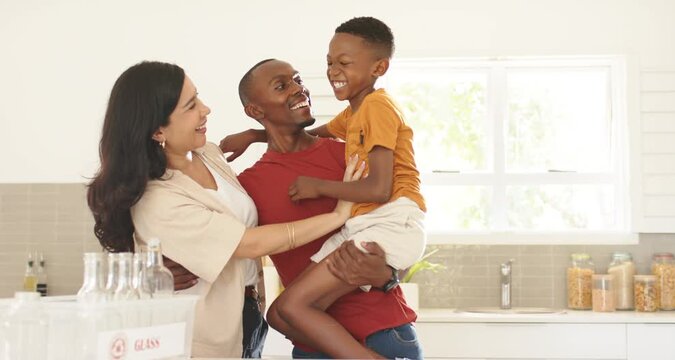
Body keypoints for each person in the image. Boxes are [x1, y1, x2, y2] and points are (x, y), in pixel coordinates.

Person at [86, 61, 363, 358]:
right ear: (157, 130)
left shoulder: (208, 154)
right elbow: (247, 243)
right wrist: (338, 214)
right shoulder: (159, 198)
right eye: (191, 105)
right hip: (196, 337)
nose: (206, 109)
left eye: (198, 97)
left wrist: (254, 134)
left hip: (248, 318)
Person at [222, 17, 427, 358]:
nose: (299, 89)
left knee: (288, 308)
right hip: (311, 346)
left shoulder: (349, 152)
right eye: (281, 85)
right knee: (280, 312)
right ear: (254, 110)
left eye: (298, 80)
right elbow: (229, 248)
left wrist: (388, 275)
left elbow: (400, 224)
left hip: (380, 334)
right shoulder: (248, 186)